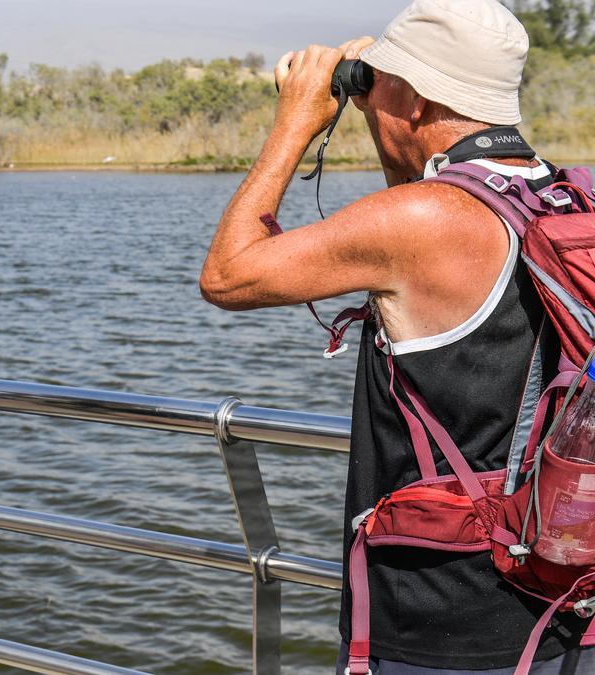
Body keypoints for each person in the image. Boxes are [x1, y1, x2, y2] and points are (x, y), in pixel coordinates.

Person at [200, 0, 593, 672]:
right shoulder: (564, 198)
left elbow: (227, 275)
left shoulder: (417, 221)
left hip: (443, 626)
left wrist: (295, 123)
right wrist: (389, 104)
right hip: (561, 608)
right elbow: (414, 254)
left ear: (414, 102)